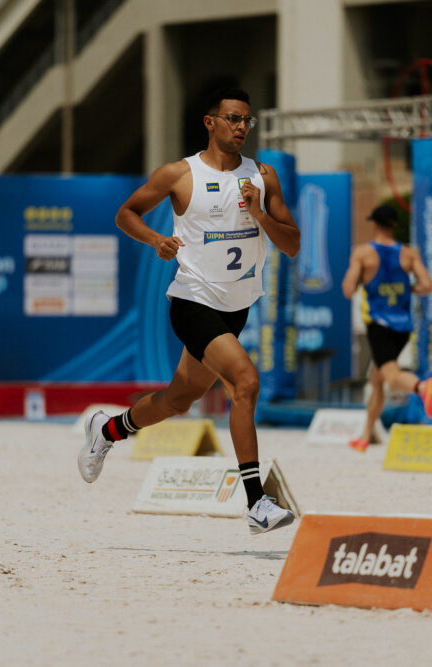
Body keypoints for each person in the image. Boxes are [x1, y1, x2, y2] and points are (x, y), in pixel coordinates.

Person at [78, 87, 300, 535]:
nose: (241, 128)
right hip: (192, 301)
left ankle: (107, 430)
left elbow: (292, 244)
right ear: (210, 122)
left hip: (236, 307)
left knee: (179, 399)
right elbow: (127, 214)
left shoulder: (263, 176)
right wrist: (157, 241)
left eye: (246, 121)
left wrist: (260, 215)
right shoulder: (180, 174)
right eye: (233, 119)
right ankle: (257, 503)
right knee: (246, 382)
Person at [341, 204, 432, 452]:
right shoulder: (408, 253)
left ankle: (422, 387)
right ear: (394, 225)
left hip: (379, 325)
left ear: (374, 224)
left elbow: (348, 289)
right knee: (377, 379)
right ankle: (365, 435)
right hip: (403, 326)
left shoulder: (363, 253)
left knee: (393, 379)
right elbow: (427, 285)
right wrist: (408, 289)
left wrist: (363, 279)